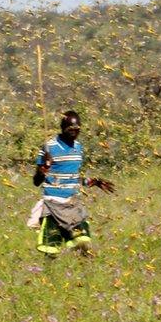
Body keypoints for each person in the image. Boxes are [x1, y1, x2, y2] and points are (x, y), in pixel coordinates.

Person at [32, 110, 114, 256]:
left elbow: (73, 177)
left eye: (77, 130)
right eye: (70, 129)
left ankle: (84, 275)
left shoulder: (78, 148)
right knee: (51, 249)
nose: (74, 132)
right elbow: (36, 182)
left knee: (83, 242)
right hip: (53, 204)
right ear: (63, 128)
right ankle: (48, 276)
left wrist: (94, 182)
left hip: (72, 203)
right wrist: (43, 170)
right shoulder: (48, 147)